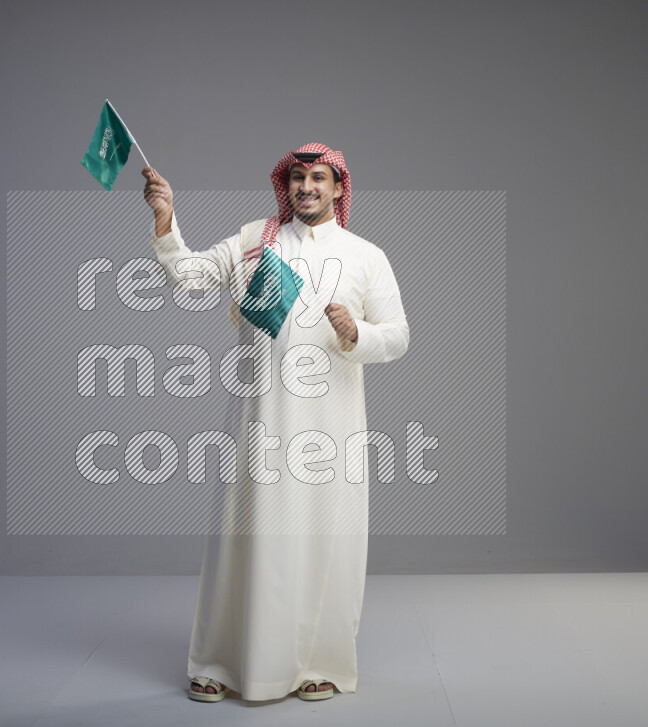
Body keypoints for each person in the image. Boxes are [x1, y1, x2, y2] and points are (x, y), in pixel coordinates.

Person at [141, 142, 410, 703]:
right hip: (258, 420)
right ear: (285, 187)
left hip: (329, 429)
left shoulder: (366, 256)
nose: (306, 188)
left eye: (318, 179)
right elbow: (190, 278)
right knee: (246, 537)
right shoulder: (251, 242)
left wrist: (356, 332)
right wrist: (166, 218)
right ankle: (219, 662)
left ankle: (318, 663)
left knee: (319, 537)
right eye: (297, 179)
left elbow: (399, 335)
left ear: (339, 188)